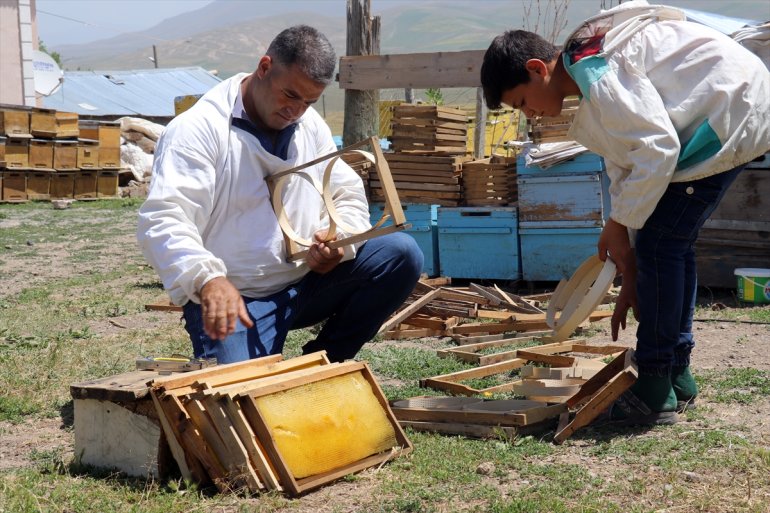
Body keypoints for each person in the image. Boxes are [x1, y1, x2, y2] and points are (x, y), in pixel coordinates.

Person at [481, 0, 770, 424]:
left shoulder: (595, 68)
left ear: (538, 68)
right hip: (735, 107)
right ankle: (676, 373)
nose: (529, 115)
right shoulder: (589, 71)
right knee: (668, 243)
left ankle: (654, 385)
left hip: (731, 112)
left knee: (662, 243)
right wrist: (628, 260)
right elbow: (630, 160)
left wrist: (620, 224)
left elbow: (657, 147)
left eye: (523, 101)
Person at [137, 25, 423, 365]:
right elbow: (164, 219)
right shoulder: (197, 130)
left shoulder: (308, 124)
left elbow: (345, 190)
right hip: (236, 298)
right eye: (290, 95)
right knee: (241, 397)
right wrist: (208, 279)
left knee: (400, 254)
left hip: (305, 286)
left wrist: (339, 243)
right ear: (264, 67)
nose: (297, 111)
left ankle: (325, 362)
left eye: (310, 101)